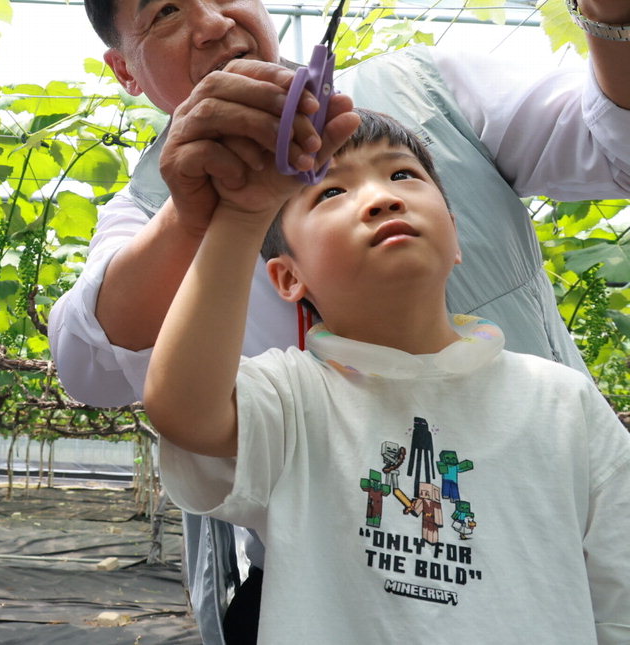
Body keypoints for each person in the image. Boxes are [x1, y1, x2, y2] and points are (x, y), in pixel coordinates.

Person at [48, 0, 630, 640]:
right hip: (328, 577)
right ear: (124, 73)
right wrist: (204, 213)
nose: (210, 21)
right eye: (164, 12)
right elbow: (89, 362)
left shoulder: (421, 91)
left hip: (544, 536)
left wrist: (612, 13)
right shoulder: (154, 206)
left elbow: (614, 144)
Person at [142, 108, 630, 643]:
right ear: (287, 277)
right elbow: (183, 410)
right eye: (331, 191)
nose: (382, 198)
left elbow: (620, 597)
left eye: (402, 174)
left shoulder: (564, 402)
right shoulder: (290, 399)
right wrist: (240, 216)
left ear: (455, 238)